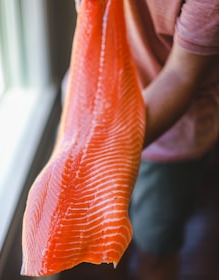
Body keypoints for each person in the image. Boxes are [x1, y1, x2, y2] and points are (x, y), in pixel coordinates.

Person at [72, 1, 219, 279]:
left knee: (155, 253)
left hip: (172, 144)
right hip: (93, 117)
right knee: (98, 244)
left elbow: (181, 75)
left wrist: (104, 147)